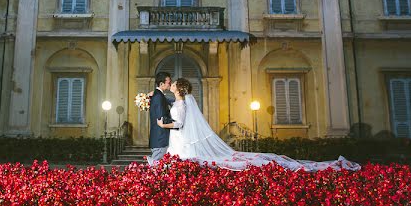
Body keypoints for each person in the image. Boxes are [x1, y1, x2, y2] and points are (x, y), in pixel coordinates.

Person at [157, 78, 360, 172]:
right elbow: (172, 107)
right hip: (179, 140)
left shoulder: (182, 104)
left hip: (180, 138)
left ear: (178, 89)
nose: (171, 84)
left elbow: (180, 123)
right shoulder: (179, 102)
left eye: (173, 84)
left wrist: (163, 125)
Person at [147, 72, 174, 166]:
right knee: (155, 166)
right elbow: (161, 118)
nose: (170, 84)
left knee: (159, 166)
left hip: (160, 136)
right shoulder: (158, 96)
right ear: (161, 84)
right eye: (168, 82)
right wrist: (177, 124)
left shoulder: (159, 95)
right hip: (160, 137)